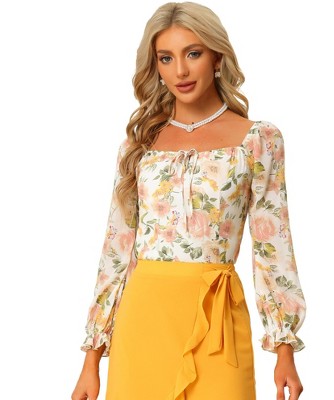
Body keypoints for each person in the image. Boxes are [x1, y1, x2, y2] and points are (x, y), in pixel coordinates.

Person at [71, 2, 307, 399]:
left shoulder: (259, 140)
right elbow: (116, 249)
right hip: (143, 323)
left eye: (192, 53)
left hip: (217, 323)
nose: (180, 70)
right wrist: (91, 360)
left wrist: (285, 348)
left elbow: (273, 247)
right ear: (156, 67)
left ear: (217, 57)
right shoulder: (140, 144)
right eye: (166, 58)